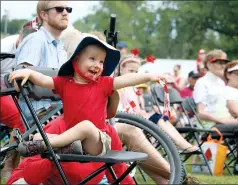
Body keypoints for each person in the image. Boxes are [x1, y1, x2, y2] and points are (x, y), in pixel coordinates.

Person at [8, 33, 166, 184]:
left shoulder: (103, 83)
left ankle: (51, 143)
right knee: (39, 137)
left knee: (85, 126)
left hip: (96, 141)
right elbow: (45, 80)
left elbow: (126, 79)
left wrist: (149, 76)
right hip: (72, 143)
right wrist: (29, 71)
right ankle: (51, 143)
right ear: (76, 60)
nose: (98, 65)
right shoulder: (64, 82)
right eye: (92, 59)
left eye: (101, 62)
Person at [15, 0, 70, 123]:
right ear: (44, 15)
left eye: (68, 9)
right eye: (59, 9)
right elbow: (18, 82)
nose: (65, 13)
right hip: (39, 114)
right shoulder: (36, 40)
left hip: (59, 110)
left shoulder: (60, 48)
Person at [193, 49, 238, 175]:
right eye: (218, 61)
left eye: (224, 62)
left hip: (227, 124)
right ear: (208, 64)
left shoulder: (222, 83)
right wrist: (225, 121)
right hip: (209, 127)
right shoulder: (201, 83)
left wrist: (234, 118)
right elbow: (201, 113)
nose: (222, 65)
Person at [0, 25, 37, 180]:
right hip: (5, 92)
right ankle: (9, 165)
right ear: (20, 39)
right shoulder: (4, 46)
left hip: (21, 94)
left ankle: (22, 168)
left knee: (32, 116)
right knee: (21, 118)